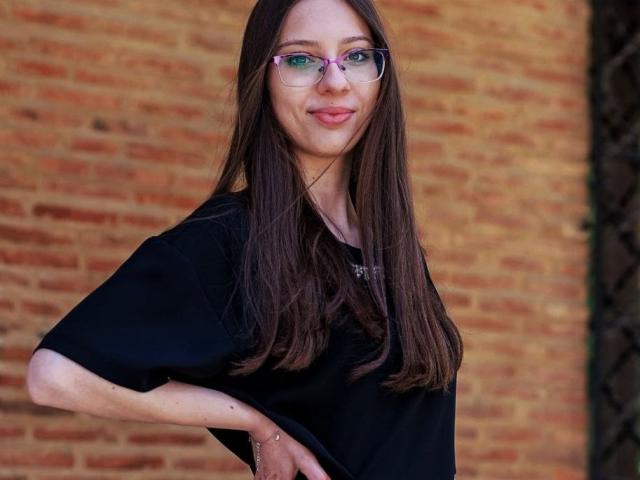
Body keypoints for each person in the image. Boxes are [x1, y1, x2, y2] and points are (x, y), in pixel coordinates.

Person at [26, 0, 463, 479]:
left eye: (356, 56)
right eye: (301, 59)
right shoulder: (235, 236)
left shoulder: (390, 246)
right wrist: (255, 423)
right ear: (263, 79)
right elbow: (56, 376)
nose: (335, 81)